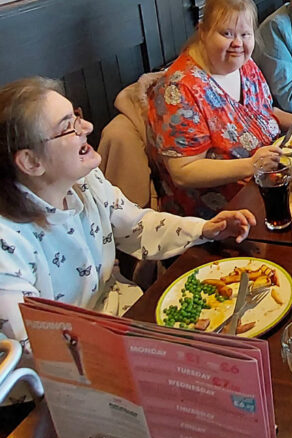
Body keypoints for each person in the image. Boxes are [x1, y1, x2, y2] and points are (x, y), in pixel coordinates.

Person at [0, 77, 257, 350]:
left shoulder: (85, 182)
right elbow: (37, 348)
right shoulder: (7, 245)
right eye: (68, 127)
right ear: (31, 161)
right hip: (81, 357)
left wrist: (204, 229)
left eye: (77, 116)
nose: (87, 127)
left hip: (129, 316)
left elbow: (136, 226)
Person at [147, 0, 292, 218]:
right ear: (203, 32)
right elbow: (183, 172)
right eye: (227, 34)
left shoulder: (245, 65)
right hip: (221, 215)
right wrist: (251, 165)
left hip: (269, 184)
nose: (238, 43)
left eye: (245, 35)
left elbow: (264, 113)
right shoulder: (178, 89)